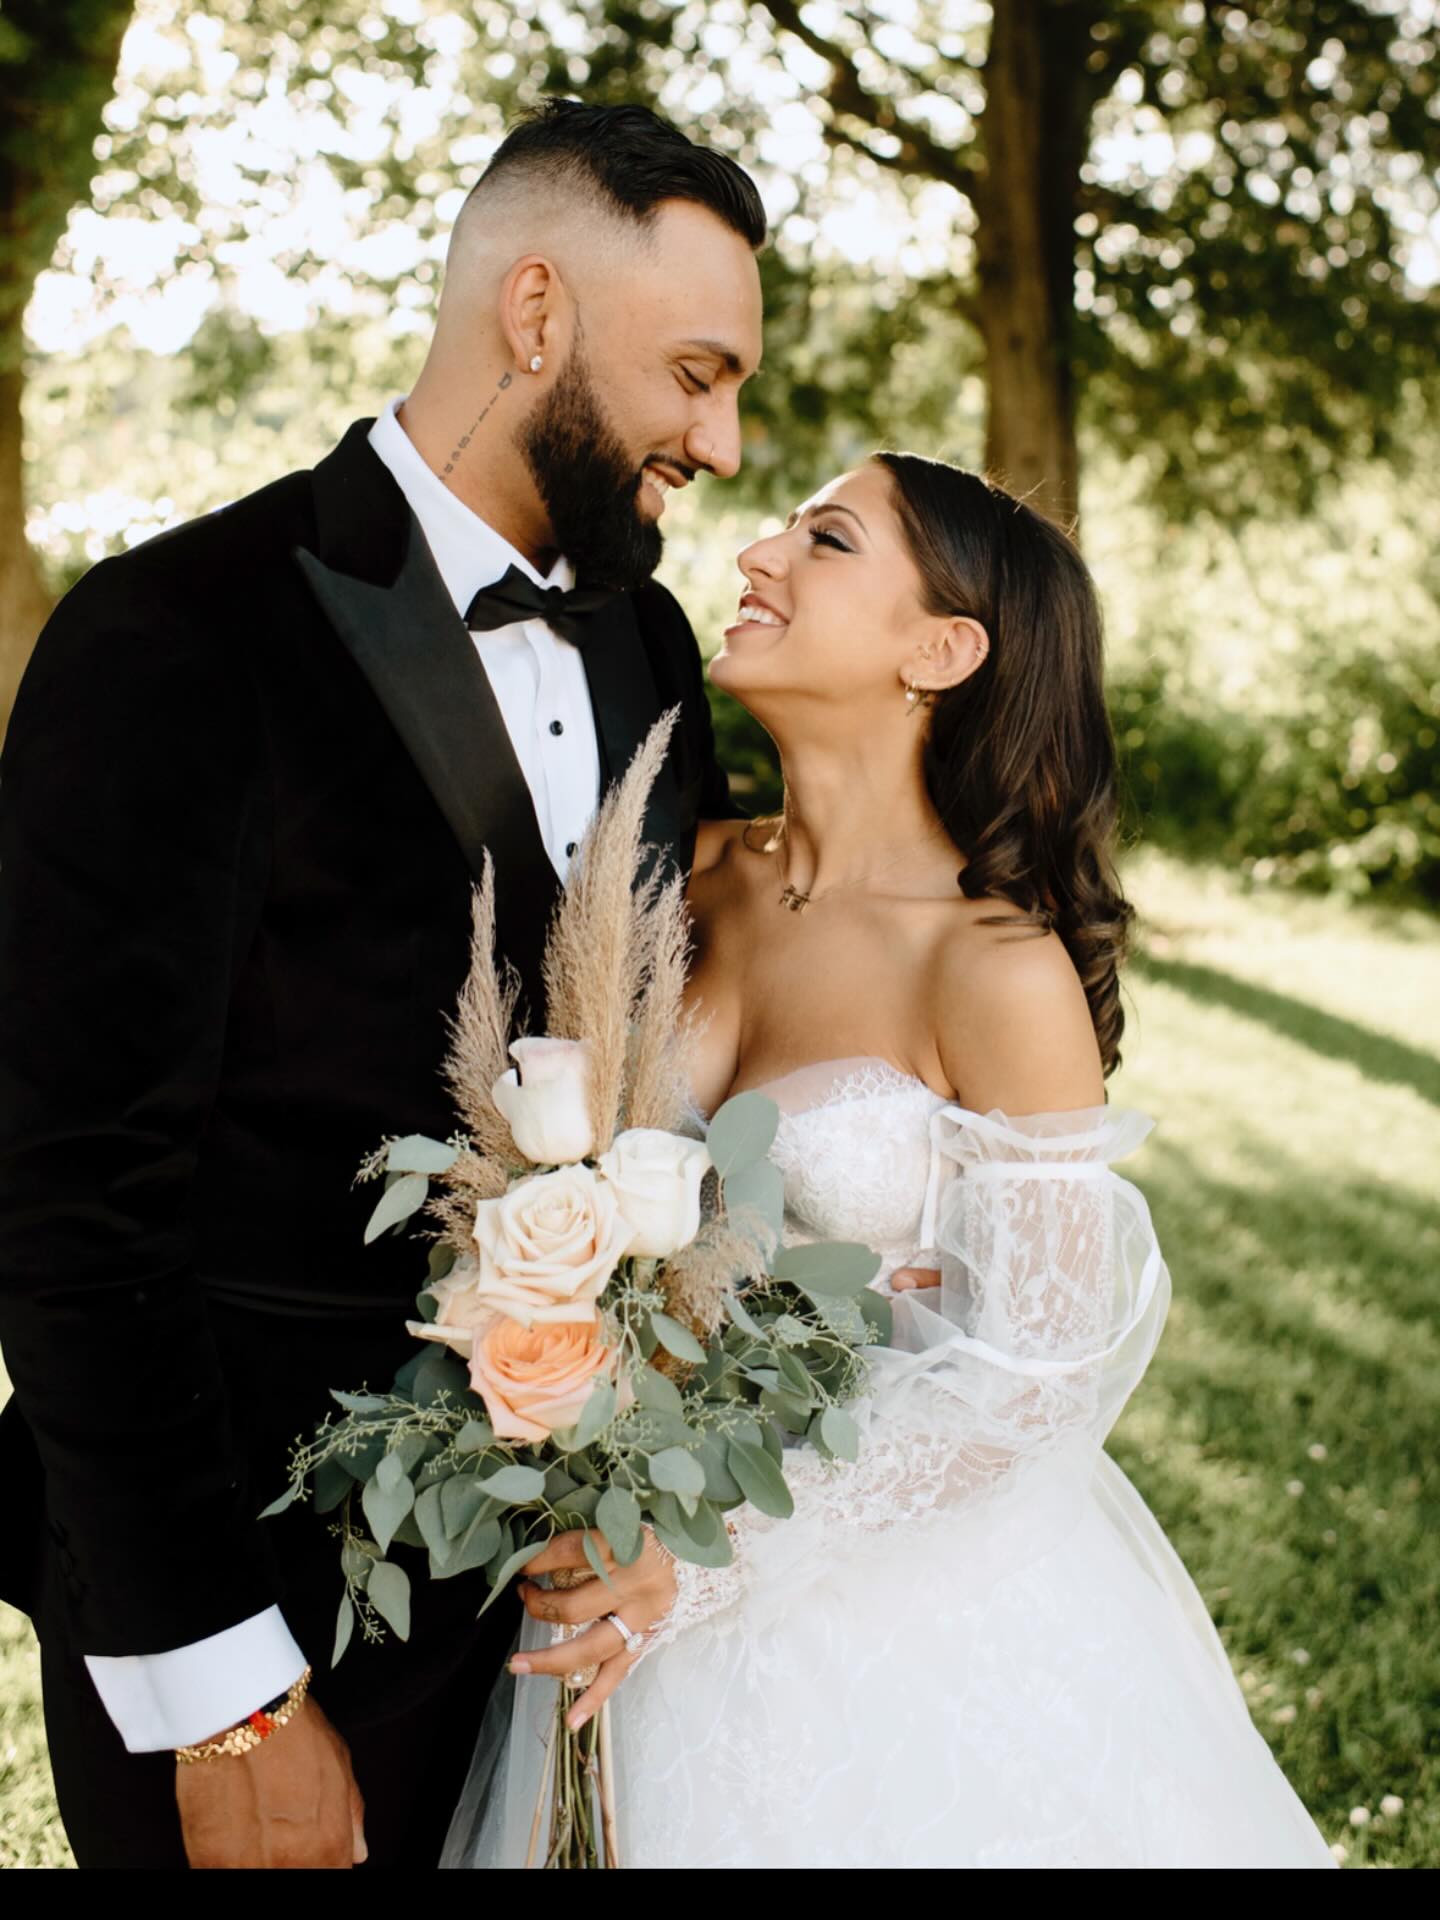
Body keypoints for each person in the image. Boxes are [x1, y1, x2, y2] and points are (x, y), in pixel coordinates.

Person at [0, 99, 763, 1869]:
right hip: (257, 1607)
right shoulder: (168, 638)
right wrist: (227, 1695)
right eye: (698, 374)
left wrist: (644, 1479)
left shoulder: (648, 641)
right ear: (540, 313)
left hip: (558, 1610)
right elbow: (60, 1201)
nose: (721, 442)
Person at [459, 454, 1339, 1869]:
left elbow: (1037, 1375)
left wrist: (709, 1555)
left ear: (941, 650)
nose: (757, 554)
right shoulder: (678, 873)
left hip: (871, 1612)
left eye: (827, 539)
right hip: (611, 1548)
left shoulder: (991, 966)